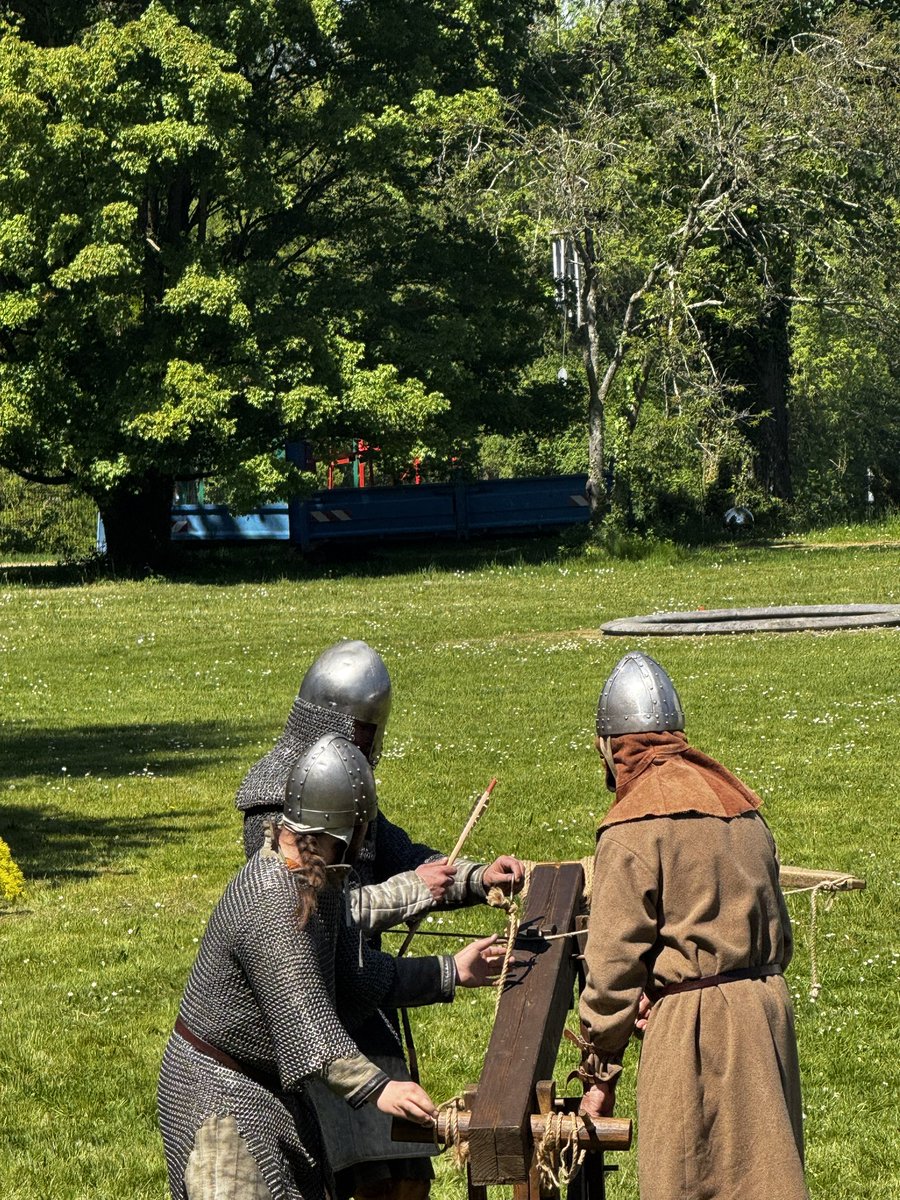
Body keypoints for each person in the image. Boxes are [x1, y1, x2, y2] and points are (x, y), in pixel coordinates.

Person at [235, 638, 524, 1200]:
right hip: (315, 1013)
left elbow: (404, 855)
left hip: (364, 994)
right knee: (362, 1186)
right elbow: (308, 916)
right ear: (332, 723)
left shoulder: (345, 787)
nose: (371, 741)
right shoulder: (280, 805)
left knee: (406, 1181)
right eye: (363, 728)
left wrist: (477, 878)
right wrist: (411, 891)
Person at [159, 732, 505, 1200]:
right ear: (346, 832)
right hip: (217, 1094)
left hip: (266, 1091)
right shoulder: (272, 897)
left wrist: (451, 970)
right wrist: (380, 1088)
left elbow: (354, 981)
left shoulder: (315, 884)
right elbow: (308, 1028)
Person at [577, 651, 808, 1200]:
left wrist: (598, 1074)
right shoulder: (742, 808)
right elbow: (774, 933)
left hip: (695, 1032)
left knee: (692, 1181)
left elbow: (612, 970)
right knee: (765, 1177)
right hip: (766, 1013)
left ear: (612, 748)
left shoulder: (632, 829)